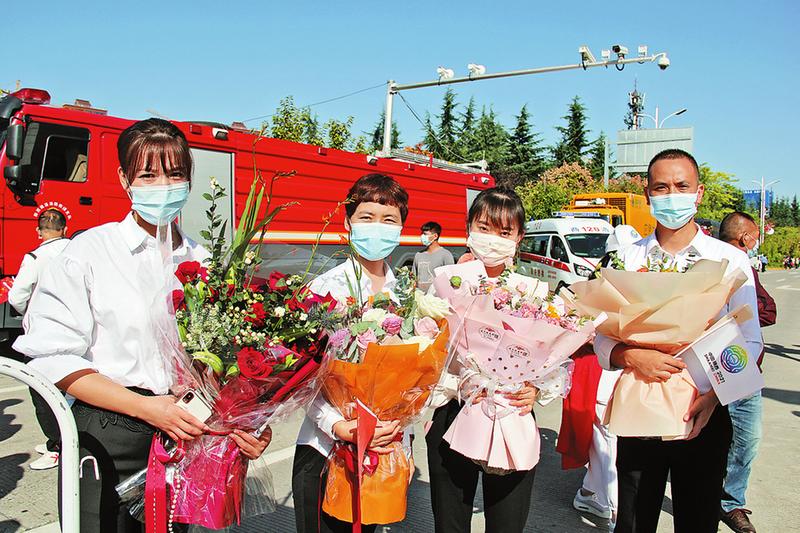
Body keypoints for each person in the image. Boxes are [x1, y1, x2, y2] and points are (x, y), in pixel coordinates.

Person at [13, 118, 271, 533]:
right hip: (110, 434)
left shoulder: (204, 261)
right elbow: (53, 358)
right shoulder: (89, 253)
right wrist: (146, 408)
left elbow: (228, 358)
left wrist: (249, 421)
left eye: (175, 174)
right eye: (148, 175)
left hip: (186, 430)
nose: (163, 186)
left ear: (189, 180)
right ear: (124, 179)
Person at [593, 149, 762, 533]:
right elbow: (600, 333)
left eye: (682, 186)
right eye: (661, 187)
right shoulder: (626, 259)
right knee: (633, 520)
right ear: (648, 194)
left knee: (697, 520)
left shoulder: (729, 261)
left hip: (703, 412)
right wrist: (628, 355)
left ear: (699, 193)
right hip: (641, 408)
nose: (672, 195)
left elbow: (750, 341)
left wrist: (715, 396)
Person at [426, 187, 551, 533]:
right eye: (484, 228)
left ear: (519, 237)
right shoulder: (444, 285)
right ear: (469, 228)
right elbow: (424, 353)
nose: (493, 239)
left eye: (505, 232)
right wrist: (458, 383)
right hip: (454, 413)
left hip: (512, 413)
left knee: (507, 522)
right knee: (450, 523)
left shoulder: (533, 293)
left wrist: (537, 389)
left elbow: (552, 361)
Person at [292, 173, 410, 533]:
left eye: (389, 220)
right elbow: (301, 378)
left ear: (401, 228)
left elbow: (417, 375)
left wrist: (398, 421)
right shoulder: (323, 290)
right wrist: (337, 424)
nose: (377, 227)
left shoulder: (407, 297)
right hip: (324, 448)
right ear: (347, 223)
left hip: (380, 451)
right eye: (366, 217)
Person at [569, 225, 641, 531]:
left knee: (607, 442)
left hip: (605, 374)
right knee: (606, 442)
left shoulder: (600, 282)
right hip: (626, 376)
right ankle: (595, 495)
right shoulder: (642, 283)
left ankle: (613, 509)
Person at [717, 211, 777, 533]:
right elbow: (767, 310)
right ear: (745, 238)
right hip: (717, 362)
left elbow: (764, 311)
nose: (756, 241)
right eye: (755, 235)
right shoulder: (711, 261)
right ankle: (719, 499)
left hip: (742, 361)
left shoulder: (744, 267)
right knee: (733, 439)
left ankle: (730, 501)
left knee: (745, 437)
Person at [8, 208, 71, 471]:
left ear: (39, 231)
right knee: (71, 389)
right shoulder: (77, 251)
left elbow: (16, 297)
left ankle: (56, 446)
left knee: (42, 392)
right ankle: (70, 438)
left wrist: (30, 312)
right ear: (65, 229)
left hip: (43, 335)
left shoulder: (34, 258)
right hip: (74, 330)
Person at [413, 221, 454, 291]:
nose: (422, 236)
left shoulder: (446, 255)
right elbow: (413, 279)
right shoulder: (418, 255)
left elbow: (451, 279)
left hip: (437, 296)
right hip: (420, 296)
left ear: (435, 236)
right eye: (422, 233)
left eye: (425, 234)